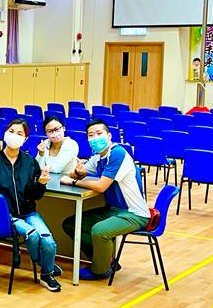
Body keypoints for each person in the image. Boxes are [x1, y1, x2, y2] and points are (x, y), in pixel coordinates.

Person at [61, 118, 150, 280]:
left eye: (99, 133)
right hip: (113, 211)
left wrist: (74, 181)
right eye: (91, 135)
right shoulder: (98, 157)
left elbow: (101, 186)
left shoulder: (117, 153)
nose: (95, 138)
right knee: (71, 224)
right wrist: (78, 171)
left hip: (134, 214)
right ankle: (106, 261)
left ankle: (100, 270)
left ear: (109, 136)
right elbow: (77, 172)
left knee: (99, 231)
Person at [0, 118, 60, 292]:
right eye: (11, 131)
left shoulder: (30, 163)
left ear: (25, 139)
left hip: (28, 212)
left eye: (19, 133)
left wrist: (41, 183)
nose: (14, 135)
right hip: (6, 215)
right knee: (32, 235)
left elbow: (36, 195)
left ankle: (46, 273)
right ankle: (46, 266)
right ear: (5, 133)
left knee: (49, 242)